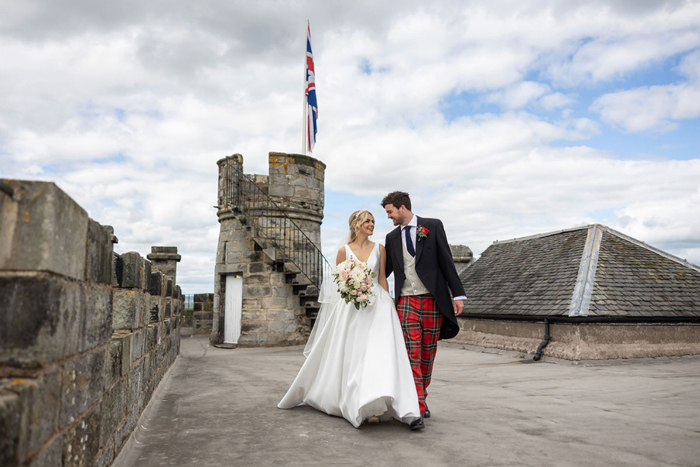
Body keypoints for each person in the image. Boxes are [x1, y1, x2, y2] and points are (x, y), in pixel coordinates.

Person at [278, 210, 423, 429]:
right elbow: (339, 284)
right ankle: (362, 404)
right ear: (355, 225)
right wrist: (353, 290)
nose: (372, 224)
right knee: (355, 355)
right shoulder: (343, 252)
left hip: (379, 306)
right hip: (352, 308)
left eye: (373, 221)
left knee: (383, 354)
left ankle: (406, 409)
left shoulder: (380, 249)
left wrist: (391, 306)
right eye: (368, 221)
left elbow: (382, 278)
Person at [382, 191, 466, 427]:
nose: (388, 217)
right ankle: (416, 407)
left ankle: (421, 397)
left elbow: (447, 261)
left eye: (390, 212)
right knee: (411, 354)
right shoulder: (391, 237)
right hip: (405, 302)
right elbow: (384, 271)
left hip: (432, 300)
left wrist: (457, 294)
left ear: (402, 208)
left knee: (427, 355)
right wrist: (358, 281)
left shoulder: (433, 226)